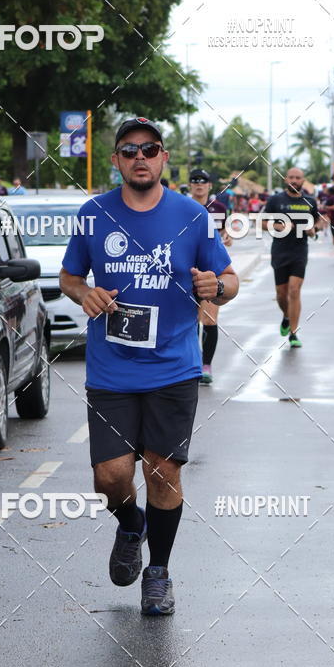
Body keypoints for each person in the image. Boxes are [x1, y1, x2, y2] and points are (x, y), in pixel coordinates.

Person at [60, 116, 238, 615]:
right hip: (112, 370)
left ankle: (158, 572)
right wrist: (84, 292)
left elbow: (229, 278)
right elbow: (68, 276)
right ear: (116, 160)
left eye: (150, 148)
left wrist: (216, 288)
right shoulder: (93, 214)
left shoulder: (193, 215)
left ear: (163, 159)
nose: (140, 156)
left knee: (163, 473)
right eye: (129, 149)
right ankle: (130, 524)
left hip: (173, 368)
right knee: (110, 477)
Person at [262, 167, 323, 348]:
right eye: (291, 177)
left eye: (298, 178)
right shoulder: (275, 200)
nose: (294, 180)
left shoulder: (310, 201)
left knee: (294, 291)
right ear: (286, 179)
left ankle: (294, 333)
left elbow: (319, 221)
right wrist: (277, 227)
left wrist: (315, 229)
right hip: (280, 251)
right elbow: (262, 222)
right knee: (281, 295)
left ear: (303, 180)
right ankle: (287, 316)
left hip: (299, 251)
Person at [189, 167, 232, 385]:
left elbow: (226, 234)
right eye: (195, 180)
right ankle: (193, 361)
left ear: (209, 185)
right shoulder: (181, 208)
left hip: (211, 270)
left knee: (210, 318)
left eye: (203, 180)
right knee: (190, 319)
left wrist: (227, 239)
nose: (199, 184)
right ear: (190, 185)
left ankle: (206, 365)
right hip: (186, 270)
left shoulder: (220, 208)